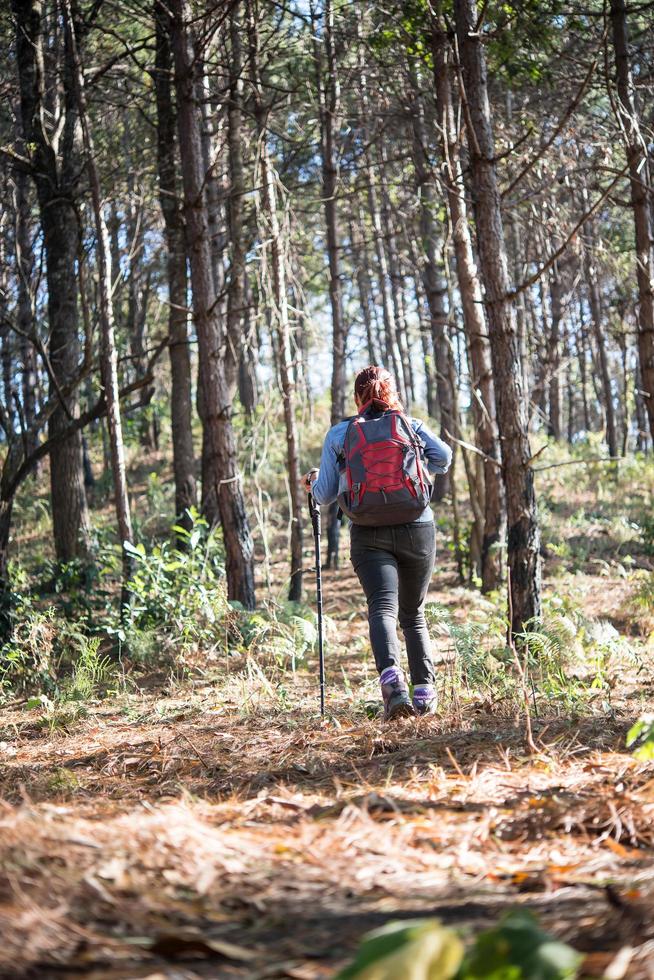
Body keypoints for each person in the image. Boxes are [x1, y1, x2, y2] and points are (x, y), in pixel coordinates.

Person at [303, 366, 452, 721]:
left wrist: (315, 481)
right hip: (417, 526)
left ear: (358, 398)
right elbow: (443, 458)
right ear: (392, 394)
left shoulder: (341, 434)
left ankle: (393, 687)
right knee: (413, 614)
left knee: (382, 609)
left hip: (368, 531)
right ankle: (424, 694)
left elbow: (323, 495)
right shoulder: (410, 425)